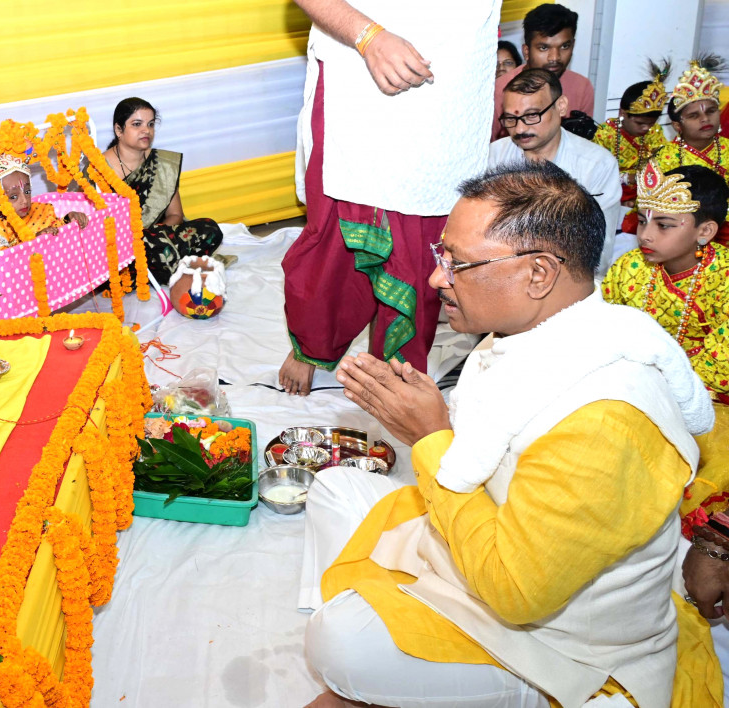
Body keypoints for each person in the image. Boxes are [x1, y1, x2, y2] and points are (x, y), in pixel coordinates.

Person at [299, 161, 715, 708]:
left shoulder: (605, 419)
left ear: (538, 273)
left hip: (556, 641)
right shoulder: (534, 333)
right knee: (334, 487)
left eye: (457, 263)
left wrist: (430, 436)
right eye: (441, 255)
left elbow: (516, 594)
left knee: (338, 644)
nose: (436, 279)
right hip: (482, 546)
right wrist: (434, 425)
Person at [280, 0, 500, 395]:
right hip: (358, 71)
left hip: (447, 95)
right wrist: (369, 37)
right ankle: (313, 345)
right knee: (335, 239)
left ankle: (394, 378)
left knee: (425, 249)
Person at [600, 161, 729, 705]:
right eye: (643, 218)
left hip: (710, 405)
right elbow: (603, 329)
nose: (645, 233)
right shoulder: (630, 268)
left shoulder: (724, 278)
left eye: (664, 224)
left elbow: (719, 365)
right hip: (633, 389)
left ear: (705, 232)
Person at [490, 68, 622, 275]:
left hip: (568, 279)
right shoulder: (494, 157)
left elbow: (599, 253)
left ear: (561, 106)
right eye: (510, 119)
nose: (520, 129)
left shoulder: (596, 165)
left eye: (532, 115)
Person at [101, 97, 222, 284]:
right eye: (137, 124)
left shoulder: (162, 163)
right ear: (119, 130)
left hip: (154, 238)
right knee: (139, 250)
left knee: (210, 229)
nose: (146, 130)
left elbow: (175, 215)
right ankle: (171, 266)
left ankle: (159, 267)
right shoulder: (98, 167)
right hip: (120, 245)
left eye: (150, 124)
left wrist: (156, 234)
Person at [491, 4, 595, 141]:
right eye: (544, 48)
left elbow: (582, 144)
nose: (555, 58)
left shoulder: (582, 87)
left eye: (564, 46)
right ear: (526, 51)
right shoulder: (499, 90)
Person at [594, 61, 671, 233]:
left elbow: (663, 162)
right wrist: (625, 179)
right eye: (640, 123)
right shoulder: (605, 134)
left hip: (644, 194)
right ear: (622, 114)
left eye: (651, 123)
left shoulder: (654, 131)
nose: (646, 128)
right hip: (611, 193)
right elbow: (596, 172)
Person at [653, 55, 729, 189]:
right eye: (694, 116)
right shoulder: (664, 158)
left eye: (711, 111)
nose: (705, 119)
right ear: (677, 125)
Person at [0, 155, 88, 251]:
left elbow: (57, 230)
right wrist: (35, 242)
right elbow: (4, 258)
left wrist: (69, 218)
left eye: (27, 191)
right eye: (13, 197)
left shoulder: (42, 209)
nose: (24, 200)